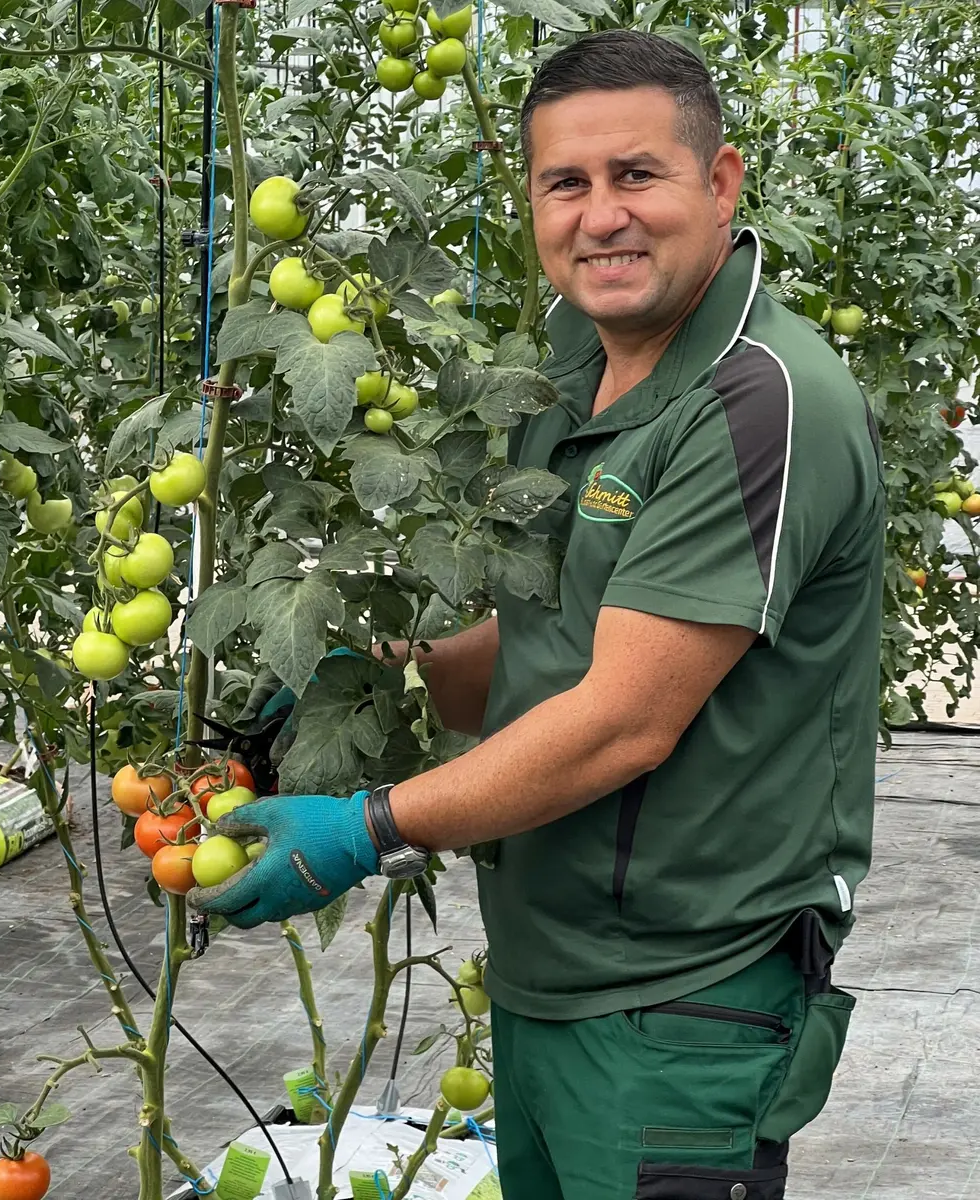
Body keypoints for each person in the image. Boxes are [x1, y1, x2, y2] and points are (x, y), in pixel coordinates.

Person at [191, 28, 884, 1200]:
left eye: (637, 175)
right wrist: (374, 674)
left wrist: (366, 827)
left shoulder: (758, 399)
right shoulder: (566, 367)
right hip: (547, 973)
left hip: (683, 1000)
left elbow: (624, 719)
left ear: (721, 184)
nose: (600, 214)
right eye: (566, 183)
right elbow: (551, 635)